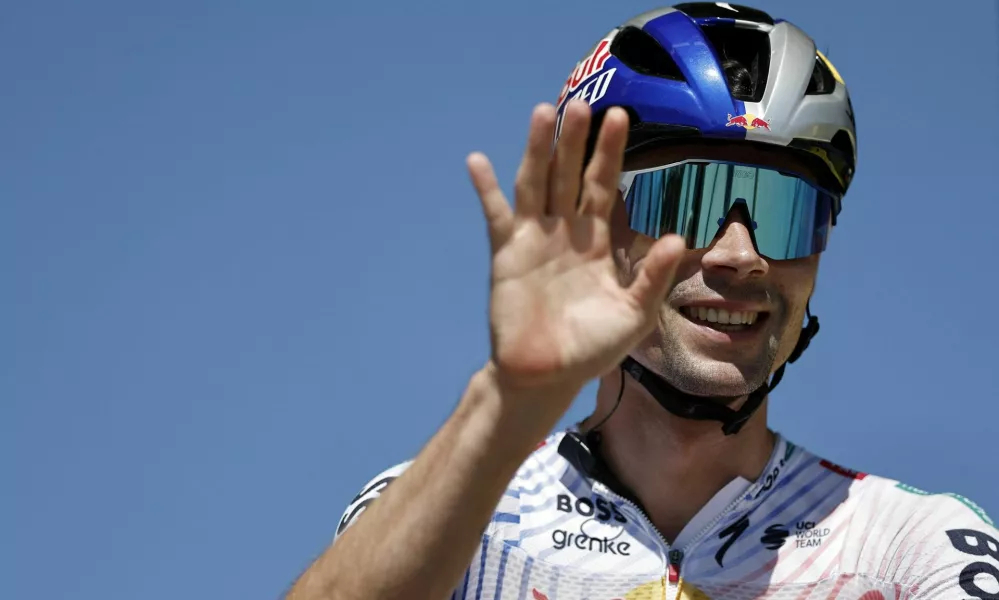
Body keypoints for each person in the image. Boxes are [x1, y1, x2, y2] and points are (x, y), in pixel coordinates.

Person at [286, 4, 999, 599]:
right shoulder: (454, 509)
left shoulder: (910, 546)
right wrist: (508, 401)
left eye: (784, 211)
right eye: (687, 201)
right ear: (587, 221)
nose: (739, 255)